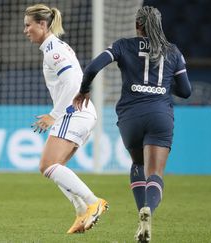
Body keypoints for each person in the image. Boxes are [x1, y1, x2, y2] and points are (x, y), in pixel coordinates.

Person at [73, 6, 191, 243]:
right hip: (160, 115)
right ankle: (148, 213)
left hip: (130, 116)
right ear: (159, 24)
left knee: (138, 164)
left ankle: (140, 215)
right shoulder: (173, 52)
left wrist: (84, 90)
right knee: (155, 172)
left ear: (138, 24)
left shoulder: (122, 45)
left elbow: (93, 67)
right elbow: (186, 91)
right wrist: (164, 85)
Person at [23, 4, 109, 234]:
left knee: (47, 165)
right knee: (55, 166)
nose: (26, 30)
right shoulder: (53, 47)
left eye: (28, 25)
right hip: (83, 113)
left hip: (75, 112)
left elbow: (73, 82)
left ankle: (93, 202)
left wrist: (55, 114)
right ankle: (81, 210)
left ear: (42, 24)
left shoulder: (53, 50)